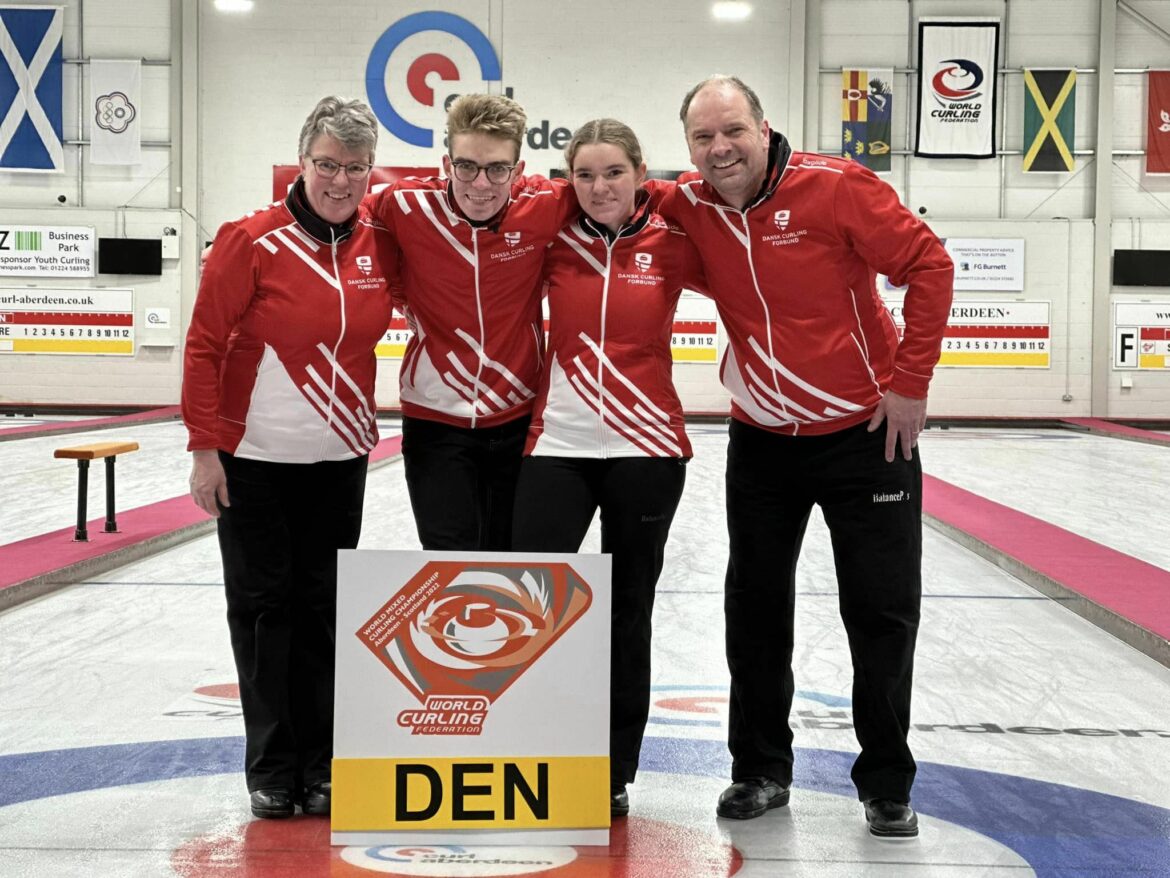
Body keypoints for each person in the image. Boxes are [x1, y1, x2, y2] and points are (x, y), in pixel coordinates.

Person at [651, 75, 953, 837]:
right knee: (753, 610)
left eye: (733, 132)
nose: (720, 149)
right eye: (702, 138)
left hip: (867, 436)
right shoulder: (689, 206)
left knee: (880, 612)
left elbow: (930, 267)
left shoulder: (837, 188)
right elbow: (605, 200)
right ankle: (759, 770)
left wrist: (909, 384)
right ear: (688, 146)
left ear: (763, 126)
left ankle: (887, 781)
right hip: (763, 443)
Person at [182, 96, 397, 820]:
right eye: (328, 164)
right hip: (255, 463)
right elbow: (205, 346)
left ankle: (324, 764)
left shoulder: (379, 241)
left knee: (326, 614)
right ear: (302, 161)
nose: (341, 181)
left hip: (339, 459)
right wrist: (204, 449)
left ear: (372, 171)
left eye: (356, 168)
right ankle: (273, 769)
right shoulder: (251, 239)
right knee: (265, 612)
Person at [510, 120, 705, 819]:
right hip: (556, 447)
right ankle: (528, 748)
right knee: (530, 611)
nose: (599, 188)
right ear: (568, 180)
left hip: (646, 452)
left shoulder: (675, 240)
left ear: (640, 174)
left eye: (613, 173)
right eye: (585, 175)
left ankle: (613, 769)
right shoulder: (550, 238)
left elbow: (756, 289)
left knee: (627, 615)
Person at [367, 94, 577, 551]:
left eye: (498, 169)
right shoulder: (403, 206)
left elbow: (620, 197)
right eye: (466, 167)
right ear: (446, 163)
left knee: (510, 558)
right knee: (448, 566)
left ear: (518, 170)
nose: (481, 184)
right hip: (434, 422)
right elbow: (331, 219)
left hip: (518, 417)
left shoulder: (547, 205)